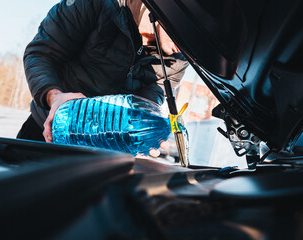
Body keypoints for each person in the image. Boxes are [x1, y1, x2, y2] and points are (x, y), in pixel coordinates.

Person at [17, 0, 188, 144]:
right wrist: (54, 96)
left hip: (104, 151)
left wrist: (145, 134)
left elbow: (146, 104)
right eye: (189, 31)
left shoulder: (180, 58)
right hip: (48, 133)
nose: (190, 47)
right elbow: (41, 53)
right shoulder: (98, 4)